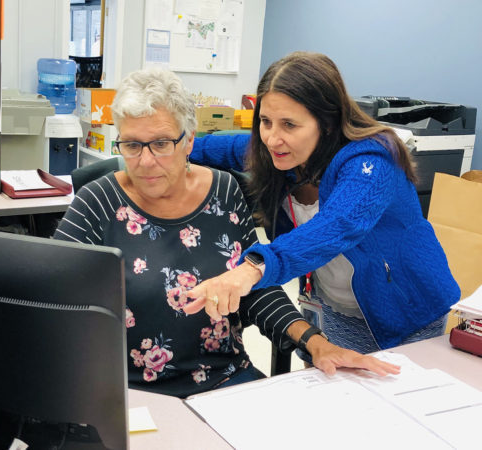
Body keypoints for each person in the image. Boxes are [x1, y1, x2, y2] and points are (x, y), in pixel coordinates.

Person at [55, 68, 399, 398]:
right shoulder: (96, 202)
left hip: (225, 380)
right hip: (127, 391)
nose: (145, 161)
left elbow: (255, 292)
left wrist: (315, 342)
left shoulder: (223, 192)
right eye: (131, 145)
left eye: (161, 144)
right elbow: (47, 302)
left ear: (188, 141)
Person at [184, 51, 460, 359]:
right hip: (334, 309)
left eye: (289, 124)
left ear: (326, 123)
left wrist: (253, 269)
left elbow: (336, 226)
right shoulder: (279, 153)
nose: (273, 139)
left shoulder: (373, 159)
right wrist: (167, 145)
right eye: (265, 121)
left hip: (407, 312)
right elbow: (209, 146)